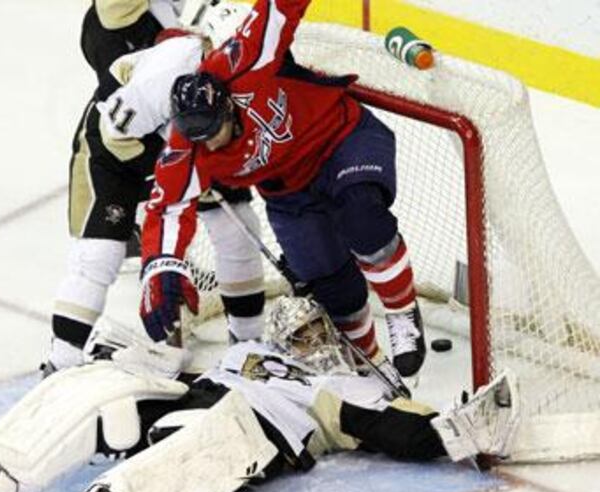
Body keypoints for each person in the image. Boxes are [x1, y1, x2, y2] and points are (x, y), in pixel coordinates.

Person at [0, 296, 519, 492]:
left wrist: (451, 431)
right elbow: (187, 370)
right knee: (98, 387)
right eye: (301, 336)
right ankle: (2, 468)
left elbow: (385, 426)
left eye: (319, 332)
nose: (312, 343)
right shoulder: (245, 355)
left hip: (249, 432)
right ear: (279, 340)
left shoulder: (338, 386)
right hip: (193, 401)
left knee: (209, 439)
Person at [138, 0, 427, 381]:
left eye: (213, 133)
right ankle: (370, 366)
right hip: (290, 192)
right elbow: (167, 209)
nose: (208, 146)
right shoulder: (187, 148)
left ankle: (402, 311)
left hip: (341, 138)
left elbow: (279, 8)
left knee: (362, 217)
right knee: (333, 290)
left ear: (225, 107)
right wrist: (158, 267)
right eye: (197, 138)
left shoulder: (243, 63)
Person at [45, 1, 265, 374]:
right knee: (99, 255)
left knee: (237, 228)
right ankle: (60, 360)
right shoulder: (168, 70)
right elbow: (116, 136)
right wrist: (174, 174)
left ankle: (247, 349)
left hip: (193, 141)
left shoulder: (237, 69)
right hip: (117, 152)